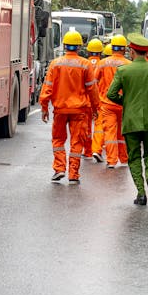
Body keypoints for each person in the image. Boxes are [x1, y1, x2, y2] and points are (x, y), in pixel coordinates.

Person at [106, 34, 148, 206]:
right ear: (147, 53)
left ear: (132, 52)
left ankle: (141, 193)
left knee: (133, 157)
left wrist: (125, 102)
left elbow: (111, 94)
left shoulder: (123, 71)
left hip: (131, 121)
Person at [40, 31, 99, 183]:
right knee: (77, 142)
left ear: (65, 46)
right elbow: (92, 90)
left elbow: (47, 87)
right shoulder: (85, 65)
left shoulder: (55, 64)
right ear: (79, 47)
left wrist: (44, 107)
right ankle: (73, 174)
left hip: (60, 109)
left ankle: (59, 169)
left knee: (58, 140)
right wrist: (95, 108)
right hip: (80, 110)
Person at [95, 35, 131, 168]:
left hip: (106, 104)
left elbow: (94, 81)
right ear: (124, 49)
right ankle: (124, 159)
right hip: (123, 104)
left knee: (110, 132)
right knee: (122, 133)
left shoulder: (103, 63)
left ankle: (111, 160)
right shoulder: (129, 64)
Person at [81, 38, 104, 162]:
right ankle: (96, 149)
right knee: (99, 125)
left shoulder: (84, 63)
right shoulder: (103, 63)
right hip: (99, 100)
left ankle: (88, 151)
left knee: (86, 128)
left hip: (85, 100)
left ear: (88, 51)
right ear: (101, 52)